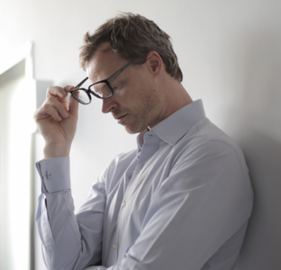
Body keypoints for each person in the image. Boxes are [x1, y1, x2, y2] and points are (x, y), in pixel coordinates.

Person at [33, 13, 253, 270]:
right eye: (100, 95)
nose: (106, 108)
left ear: (153, 64)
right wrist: (56, 149)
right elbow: (62, 263)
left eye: (113, 87)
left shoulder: (212, 156)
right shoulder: (118, 170)